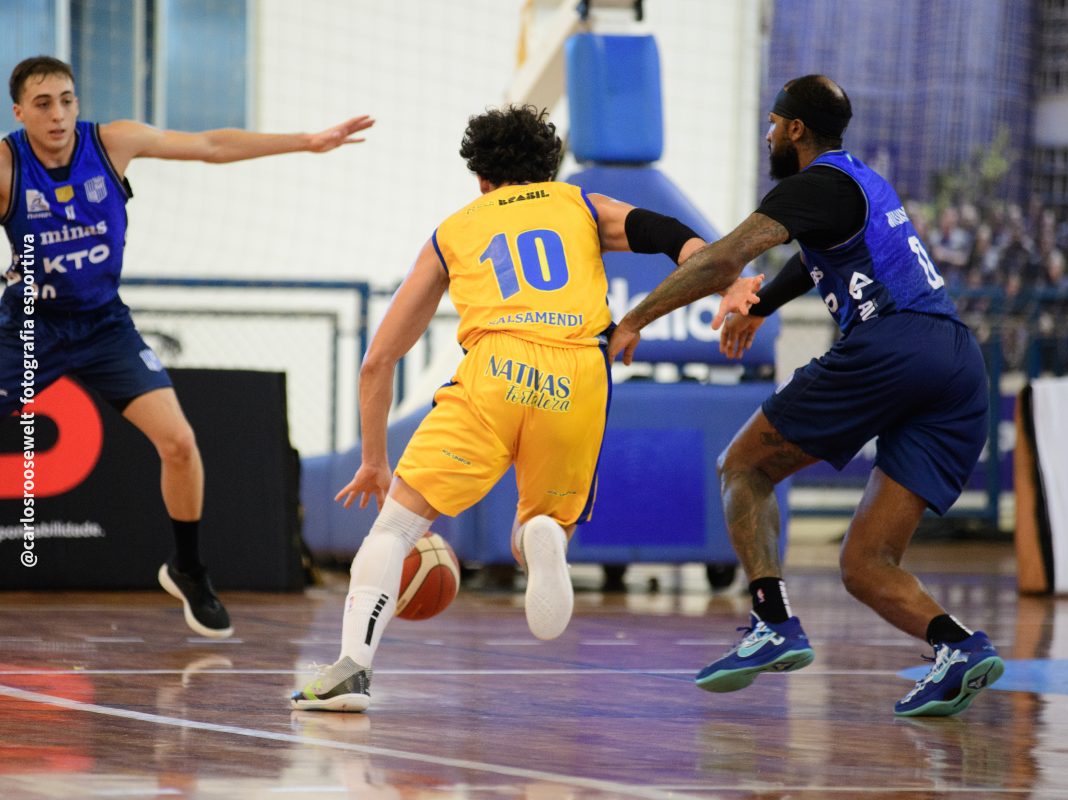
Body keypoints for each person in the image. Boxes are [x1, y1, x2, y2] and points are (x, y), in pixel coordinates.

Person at [289, 105, 759, 712]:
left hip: (495, 371)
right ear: (548, 167)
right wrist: (729, 283)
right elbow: (671, 234)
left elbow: (378, 360)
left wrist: (374, 460)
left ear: (481, 177)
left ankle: (352, 670)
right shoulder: (580, 204)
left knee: (396, 528)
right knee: (542, 524)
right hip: (577, 372)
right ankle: (541, 534)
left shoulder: (454, 230)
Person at [608, 75, 1005, 717]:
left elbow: (722, 261)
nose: (767, 134)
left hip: (893, 344)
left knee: (743, 466)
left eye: (773, 123)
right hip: (956, 366)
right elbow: (811, 258)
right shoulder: (860, 183)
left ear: (795, 129)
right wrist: (762, 305)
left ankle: (773, 623)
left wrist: (634, 319)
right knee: (865, 564)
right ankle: (959, 647)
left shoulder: (811, 184)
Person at [1, 56, 373, 638]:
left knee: (178, 442)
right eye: (43, 104)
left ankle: (189, 568)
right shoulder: (8, 166)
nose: (58, 114)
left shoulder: (112, 142)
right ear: (19, 112)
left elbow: (209, 146)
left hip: (103, 327)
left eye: (67, 100)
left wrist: (305, 141)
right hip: (30, 326)